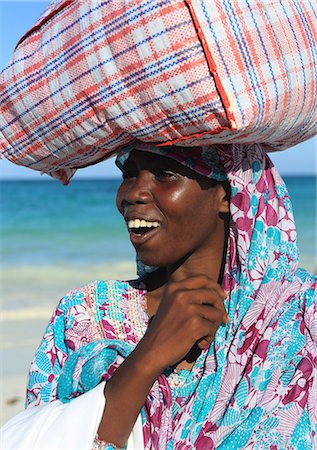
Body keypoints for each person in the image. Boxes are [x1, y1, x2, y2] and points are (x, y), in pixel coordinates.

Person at [2, 143, 316, 450]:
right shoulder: (86, 314)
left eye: (165, 174)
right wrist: (149, 355)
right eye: (129, 173)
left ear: (228, 192)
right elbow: (39, 436)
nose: (132, 194)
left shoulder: (300, 316)